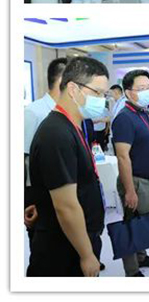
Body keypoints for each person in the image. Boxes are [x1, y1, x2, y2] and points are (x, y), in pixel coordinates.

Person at [27, 57, 109, 277]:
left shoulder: (72, 126)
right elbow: (66, 206)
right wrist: (86, 255)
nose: (102, 101)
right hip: (63, 248)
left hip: (76, 237)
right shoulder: (57, 133)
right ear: (73, 89)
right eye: (98, 93)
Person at [112, 70, 149, 276]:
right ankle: (132, 270)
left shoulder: (143, 113)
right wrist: (129, 191)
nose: (147, 92)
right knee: (131, 224)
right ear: (128, 92)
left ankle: (141, 257)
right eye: (141, 88)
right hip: (135, 182)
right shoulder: (124, 118)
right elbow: (123, 157)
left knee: (143, 222)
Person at [25, 57, 68, 231]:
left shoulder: (70, 111)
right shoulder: (34, 112)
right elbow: (24, 158)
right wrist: (29, 200)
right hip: (41, 194)